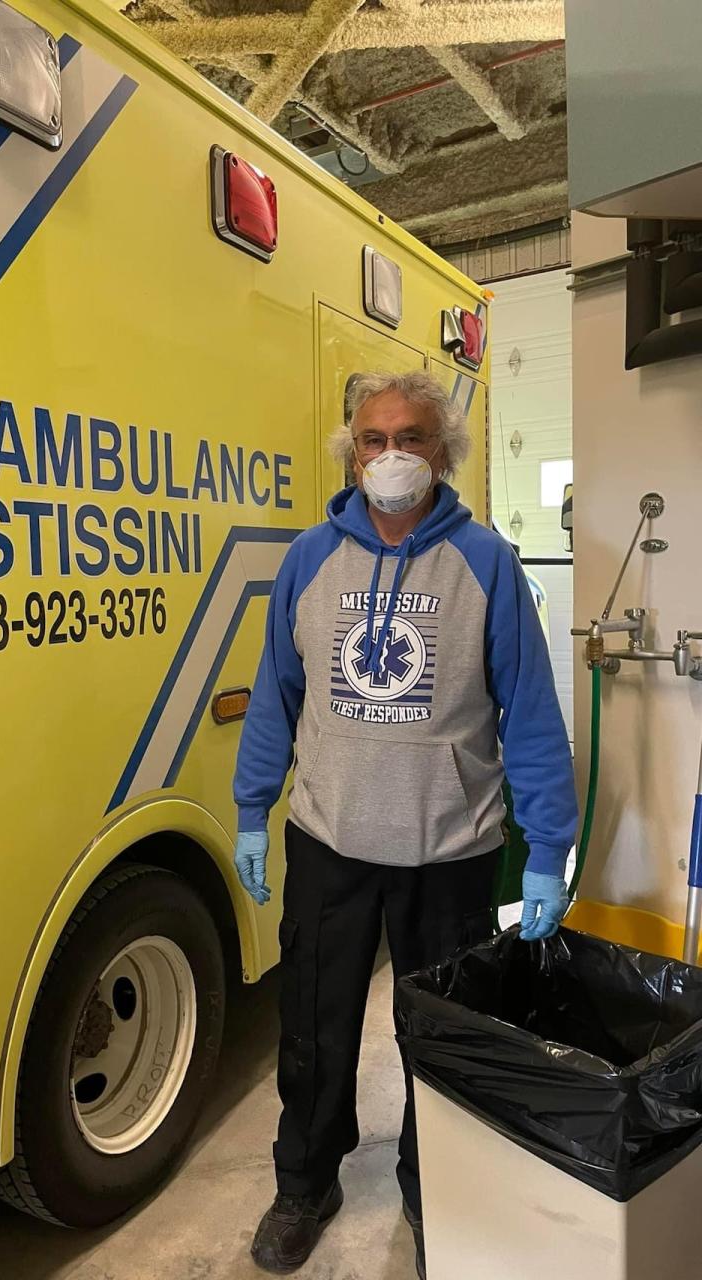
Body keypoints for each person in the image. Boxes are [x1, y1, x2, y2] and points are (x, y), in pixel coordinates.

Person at [233, 370, 577, 1279]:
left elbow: (531, 714)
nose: (390, 456)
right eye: (373, 439)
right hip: (329, 842)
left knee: (444, 1032)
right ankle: (305, 1184)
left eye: (412, 437)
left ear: (445, 452)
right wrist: (253, 813)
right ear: (352, 452)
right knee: (313, 1027)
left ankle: (440, 1186)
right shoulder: (310, 558)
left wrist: (547, 849)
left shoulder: (487, 563)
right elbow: (277, 695)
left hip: (451, 850)